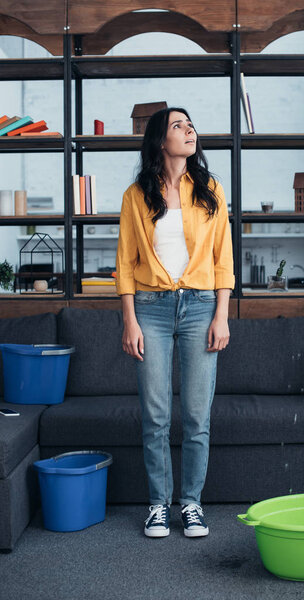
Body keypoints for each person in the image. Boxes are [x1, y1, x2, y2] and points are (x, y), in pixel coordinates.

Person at [115, 107, 235, 538]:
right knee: (156, 415)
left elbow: (224, 260)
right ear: (160, 141)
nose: (190, 131)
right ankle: (158, 505)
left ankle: (192, 504)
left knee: (198, 415)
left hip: (202, 307)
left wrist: (221, 315)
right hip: (151, 309)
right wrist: (130, 321)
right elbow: (125, 266)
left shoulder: (211, 190)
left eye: (191, 124)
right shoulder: (136, 195)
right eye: (178, 126)